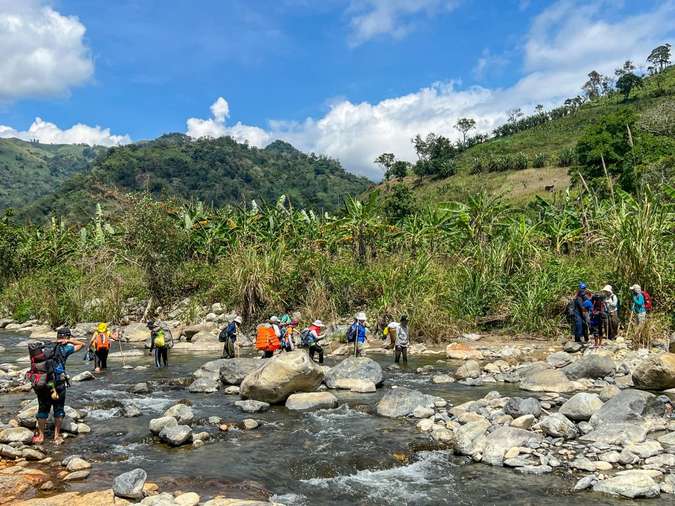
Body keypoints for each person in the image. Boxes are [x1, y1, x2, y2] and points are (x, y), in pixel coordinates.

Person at [30, 328, 84, 445]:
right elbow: (82, 344)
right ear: (67, 337)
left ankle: (41, 436)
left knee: (43, 409)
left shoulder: (44, 349)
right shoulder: (66, 348)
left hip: (44, 383)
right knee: (58, 409)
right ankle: (56, 436)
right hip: (58, 383)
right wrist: (70, 341)